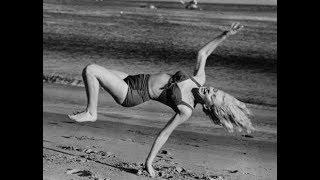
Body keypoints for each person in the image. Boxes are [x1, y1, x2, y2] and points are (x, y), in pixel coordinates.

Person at [68, 22, 254, 177]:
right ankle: (91, 108)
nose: (211, 90)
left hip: (132, 94)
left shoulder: (186, 109)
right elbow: (203, 54)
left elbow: (164, 134)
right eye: (215, 90)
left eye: (213, 96)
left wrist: (149, 163)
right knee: (93, 77)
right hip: (132, 78)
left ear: (209, 107)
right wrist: (225, 34)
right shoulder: (199, 80)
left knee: (91, 69)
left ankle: (92, 112)